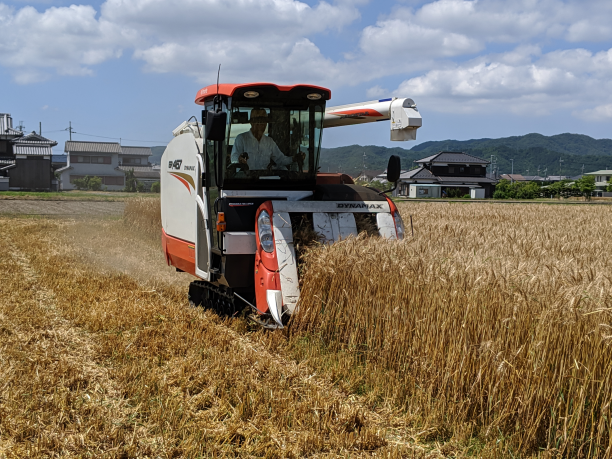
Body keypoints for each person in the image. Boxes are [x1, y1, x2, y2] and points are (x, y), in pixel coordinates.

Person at [230, 109, 303, 171]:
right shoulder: (241, 138)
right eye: (258, 122)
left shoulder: (269, 142)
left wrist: (294, 158)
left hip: (265, 182)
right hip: (246, 182)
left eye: (264, 122)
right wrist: (239, 160)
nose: (262, 125)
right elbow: (234, 158)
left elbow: (280, 159)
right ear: (252, 123)